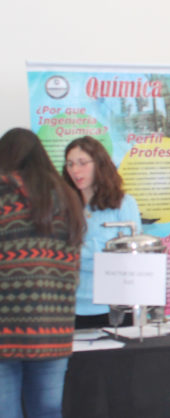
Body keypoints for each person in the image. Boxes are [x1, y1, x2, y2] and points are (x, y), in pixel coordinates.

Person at [0, 128, 85, 418]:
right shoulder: (68, 199)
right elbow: (74, 267)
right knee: (48, 411)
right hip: (53, 325)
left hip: (4, 325)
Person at [62, 136, 142, 328]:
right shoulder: (63, 206)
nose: (75, 170)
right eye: (70, 164)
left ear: (99, 165)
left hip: (115, 309)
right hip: (71, 309)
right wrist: (100, 252)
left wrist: (79, 254)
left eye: (82, 163)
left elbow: (129, 259)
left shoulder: (123, 204)